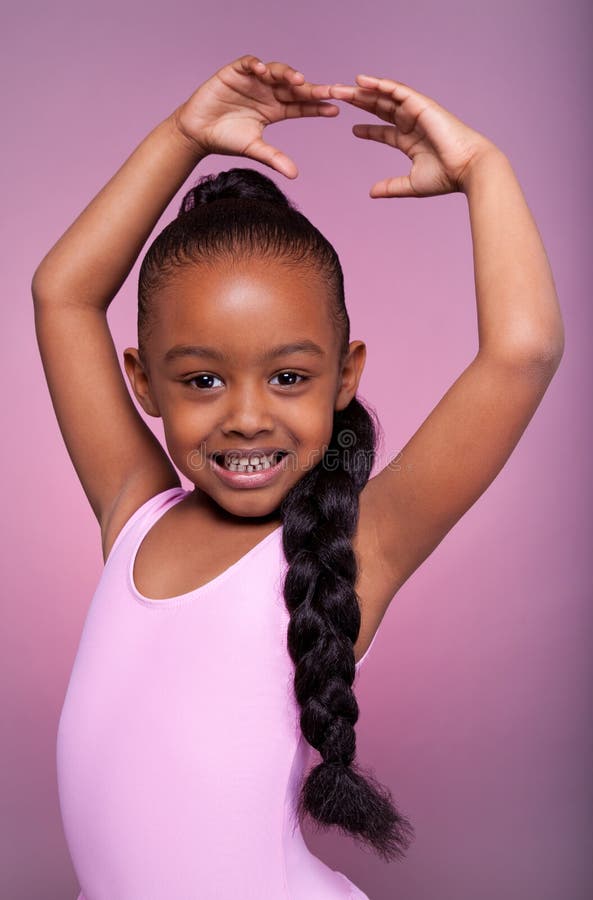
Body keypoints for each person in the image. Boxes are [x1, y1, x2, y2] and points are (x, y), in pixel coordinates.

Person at [31, 55, 565, 900]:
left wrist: (484, 173)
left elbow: (522, 352)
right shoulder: (134, 510)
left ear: (345, 376)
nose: (247, 415)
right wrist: (182, 137)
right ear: (143, 383)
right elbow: (62, 293)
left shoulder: (362, 546)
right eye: (203, 379)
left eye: (289, 376)